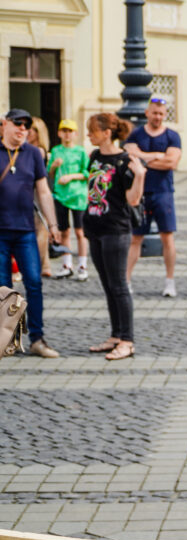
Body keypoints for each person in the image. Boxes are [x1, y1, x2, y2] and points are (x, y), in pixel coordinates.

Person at [83, 113, 145, 361]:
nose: (88, 135)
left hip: (116, 230)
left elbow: (133, 200)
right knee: (108, 285)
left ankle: (128, 341)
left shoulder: (124, 161)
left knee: (119, 285)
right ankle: (116, 335)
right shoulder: (95, 157)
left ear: (106, 133)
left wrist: (140, 175)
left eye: (92, 131)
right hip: (95, 227)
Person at [0, 109, 60, 358]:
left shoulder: (34, 154)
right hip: (0, 232)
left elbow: (43, 191)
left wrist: (53, 225)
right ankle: (6, 341)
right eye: (18, 124)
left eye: (27, 125)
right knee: (4, 288)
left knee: (34, 284)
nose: (23, 129)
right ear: (4, 125)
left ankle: (37, 338)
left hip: (26, 230)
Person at [124, 97, 182, 298]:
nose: (157, 116)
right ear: (147, 113)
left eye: (161, 113)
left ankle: (170, 282)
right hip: (140, 193)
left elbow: (172, 162)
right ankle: (126, 281)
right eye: (154, 112)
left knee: (167, 237)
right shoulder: (135, 134)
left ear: (164, 115)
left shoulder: (172, 136)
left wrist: (143, 158)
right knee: (135, 238)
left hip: (164, 192)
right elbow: (130, 157)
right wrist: (157, 155)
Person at [48, 119, 90, 281]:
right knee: (64, 231)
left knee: (80, 231)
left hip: (78, 196)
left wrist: (71, 177)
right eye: (64, 131)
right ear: (59, 133)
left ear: (75, 134)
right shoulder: (56, 150)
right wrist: (54, 166)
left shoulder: (80, 152)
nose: (67, 134)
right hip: (60, 195)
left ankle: (82, 265)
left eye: (70, 131)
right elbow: (49, 174)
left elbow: (87, 173)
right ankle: (67, 265)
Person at [27, 117, 53, 277]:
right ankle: (45, 266)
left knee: (40, 229)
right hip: (33, 191)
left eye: (32, 129)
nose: (28, 132)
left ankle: (35, 264)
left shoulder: (38, 150)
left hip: (37, 192)